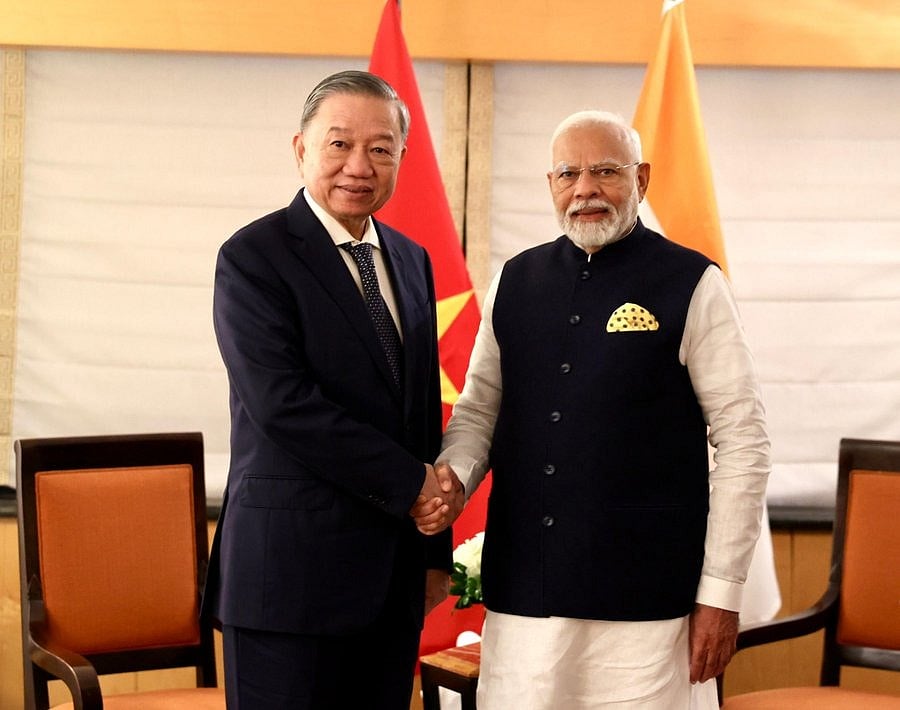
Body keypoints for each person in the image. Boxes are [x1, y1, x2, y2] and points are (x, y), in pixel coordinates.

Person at [416, 110, 770, 709]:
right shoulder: (514, 280)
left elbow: (744, 441)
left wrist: (721, 593)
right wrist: (451, 481)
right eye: (568, 173)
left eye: (606, 171)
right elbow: (478, 414)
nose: (585, 189)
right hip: (525, 598)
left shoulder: (693, 282)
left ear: (642, 179)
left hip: (649, 607)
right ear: (550, 185)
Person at [205, 70, 464, 709]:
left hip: (390, 585)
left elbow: (417, 413)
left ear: (402, 157)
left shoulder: (411, 259)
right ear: (301, 148)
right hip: (287, 583)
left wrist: (432, 550)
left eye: (380, 148)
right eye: (339, 144)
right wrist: (413, 487)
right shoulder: (253, 257)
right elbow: (282, 405)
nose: (359, 165)